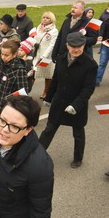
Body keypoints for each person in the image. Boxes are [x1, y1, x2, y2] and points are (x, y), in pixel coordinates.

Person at [38, 32, 97, 168]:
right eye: (73, 46)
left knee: (78, 133)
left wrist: (76, 105)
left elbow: (88, 89)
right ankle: (37, 155)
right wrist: (49, 97)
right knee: (49, 130)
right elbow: (55, 81)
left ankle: (78, 158)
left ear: (84, 46)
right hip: (59, 103)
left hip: (76, 105)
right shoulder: (61, 59)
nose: (76, 49)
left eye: (80, 46)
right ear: (67, 46)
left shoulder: (90, 65)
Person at [0, 39, 30, 122]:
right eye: (2, 54)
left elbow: (23, 93)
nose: (3, 57)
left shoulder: (19, 70)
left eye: (6, 55)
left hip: (6, 111)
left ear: (14, 54)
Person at [32, 11, 59, 100]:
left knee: (48, 75)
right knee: (33, 72)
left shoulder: (54, 31)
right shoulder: (38, 28)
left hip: (47, 56)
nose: (45, 19)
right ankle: (27, 90)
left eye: (47, 18)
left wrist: (44, 56)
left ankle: (46, 91)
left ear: (51, 20)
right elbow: (35, 38)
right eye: (44, 17)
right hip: (37, 54)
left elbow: (52, 45)